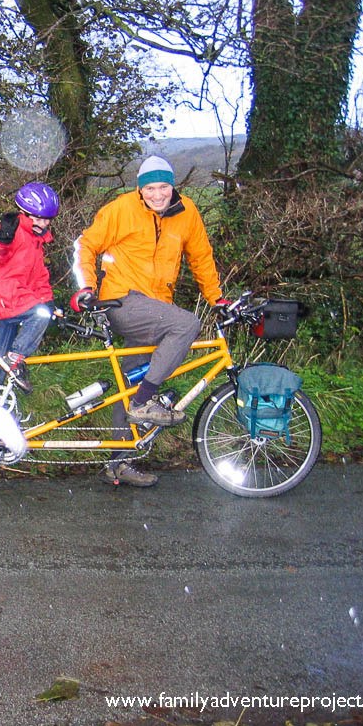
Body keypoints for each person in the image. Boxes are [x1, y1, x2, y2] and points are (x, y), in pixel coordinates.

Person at [71, 155, 228, 488]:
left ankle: (119, 463)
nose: (158, 195)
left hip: (156, 308)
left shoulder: (187, 215)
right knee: (186, 325)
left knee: (130, 383)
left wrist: (218, 299)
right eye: (150, 188)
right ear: (140, 190)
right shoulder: (121, 209)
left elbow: (201, 258)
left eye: (164, 187)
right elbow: (85, 244)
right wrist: (86, 287)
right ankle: (144, 404)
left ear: (174, 186)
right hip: (123, 301)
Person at [0, 182, 60, 394]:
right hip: (1, 298)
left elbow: (39, 277)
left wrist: (49, 300)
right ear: (24, 213)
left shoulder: (36, 242)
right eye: (38, 219)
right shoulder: (14, 232)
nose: (43, 224)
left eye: (47, 219)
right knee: (41, 314)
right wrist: (2, 237)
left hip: (12, 302)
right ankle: (16, 358)